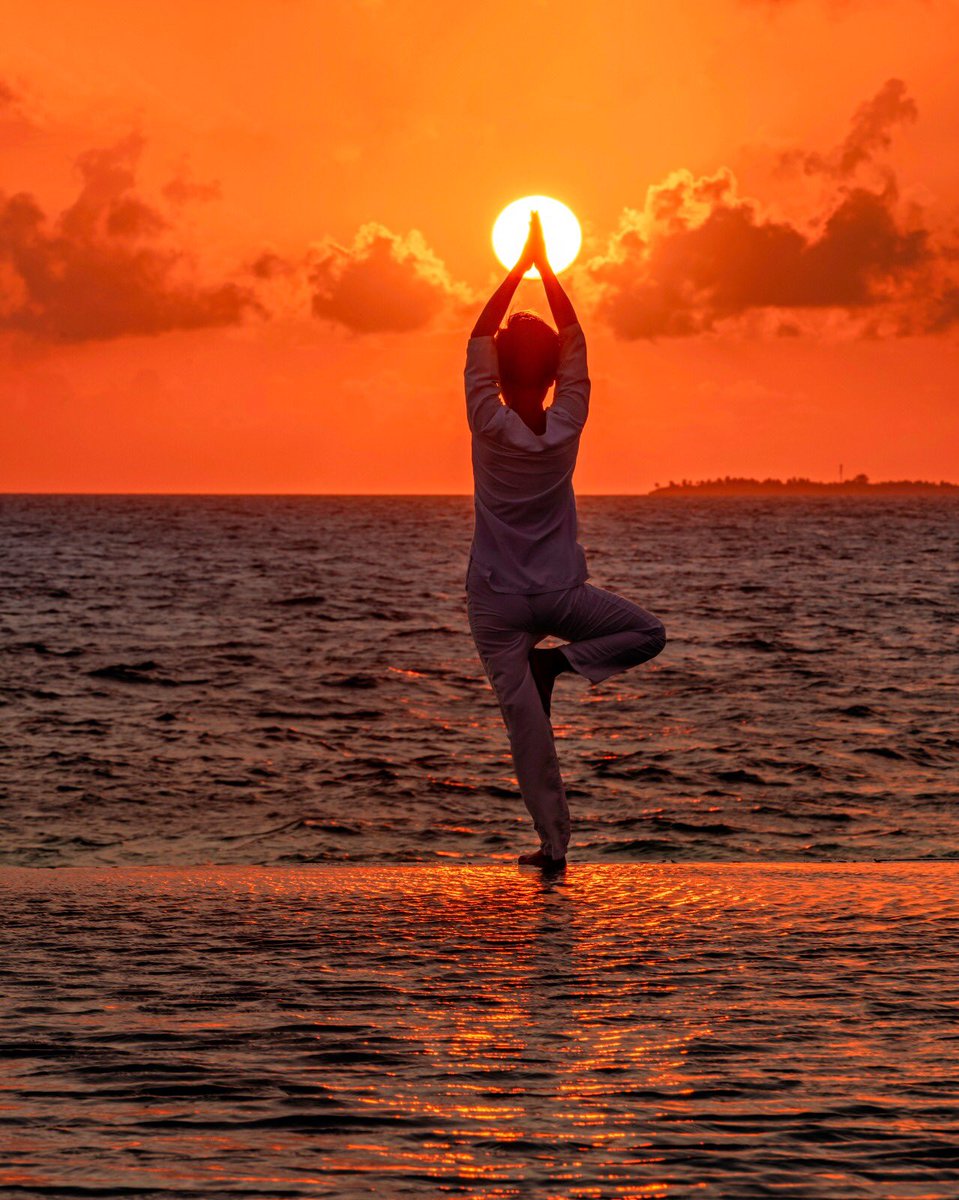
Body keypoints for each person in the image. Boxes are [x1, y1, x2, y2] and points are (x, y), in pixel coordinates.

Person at [464, 210, 667, 871]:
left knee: (526, 727)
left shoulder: (486, 420)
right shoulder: (567, 424)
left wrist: (516, 271)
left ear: (497, 376)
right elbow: (576, 347)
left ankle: (552, 845)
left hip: (497, 602)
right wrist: (547, 270)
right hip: (560, 594)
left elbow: (478, 338)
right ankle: (558, 665)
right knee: (647, 633)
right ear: (554, 376)